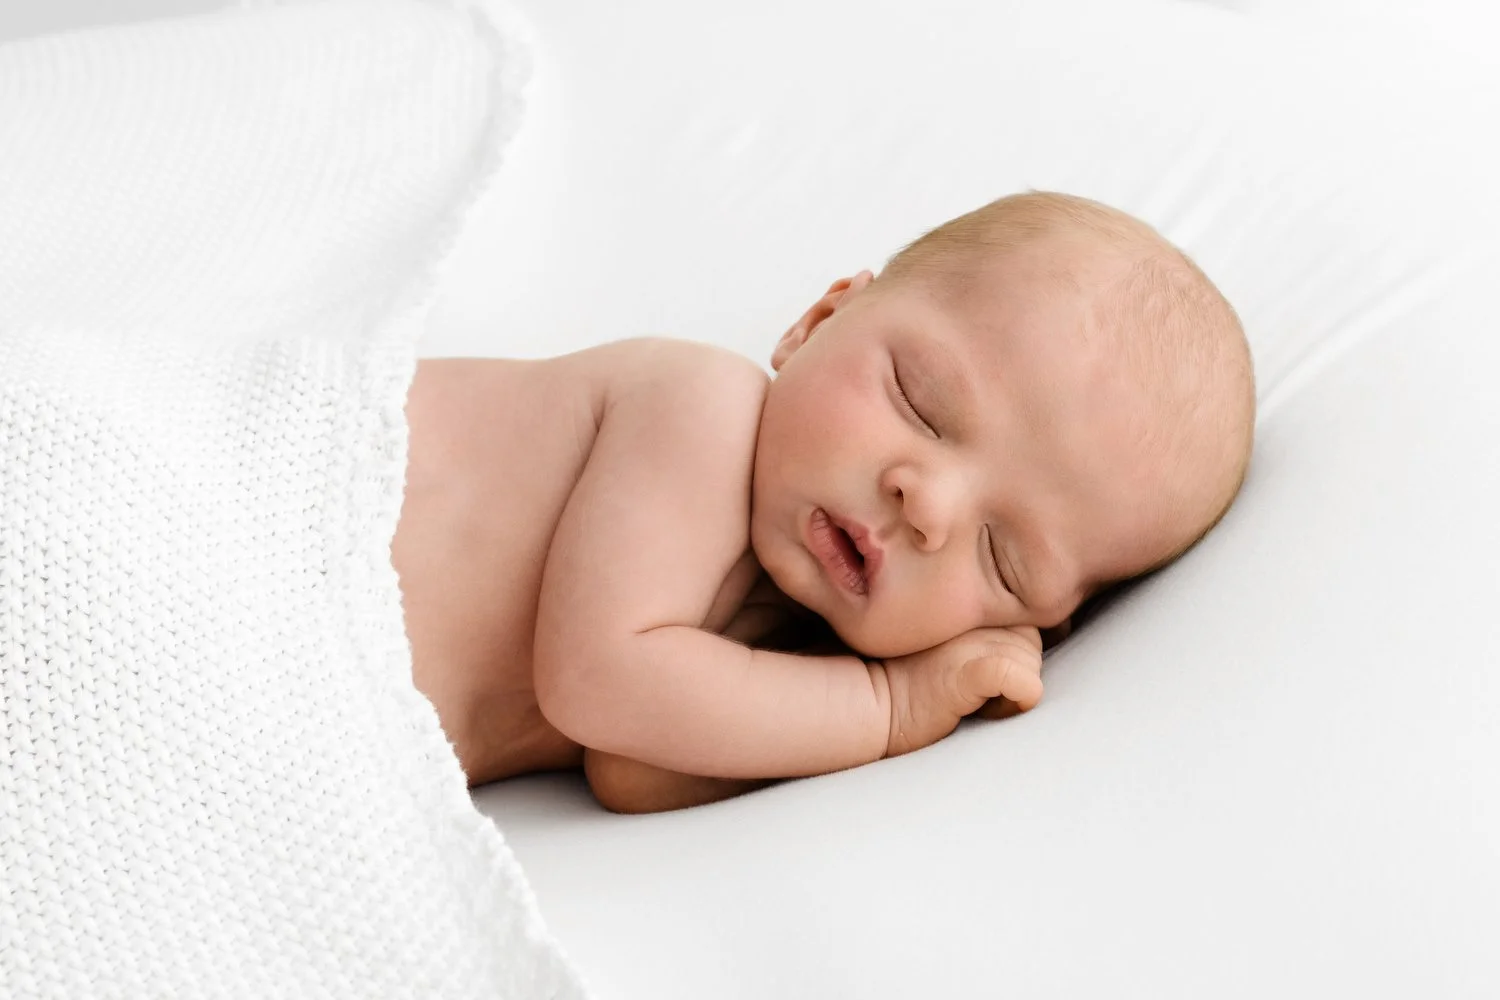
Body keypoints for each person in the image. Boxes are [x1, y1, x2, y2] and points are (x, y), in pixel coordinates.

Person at [391, 190, 1255, 814]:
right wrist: (890, 711)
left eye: (1002, 556)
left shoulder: (759, 650)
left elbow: (630, 767)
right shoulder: (698, 407)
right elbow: (598, 684)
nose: (927, 505)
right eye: (921, 401)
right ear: (819, 320)